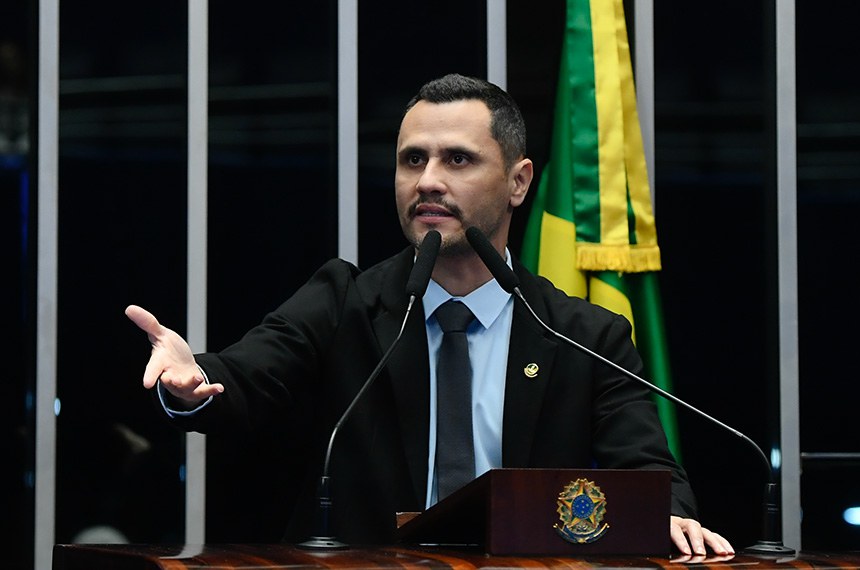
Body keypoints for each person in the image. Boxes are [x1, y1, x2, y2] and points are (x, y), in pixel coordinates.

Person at [126, 73, 733, 557]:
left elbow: (650, 472)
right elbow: (244, 378)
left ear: (519, 182)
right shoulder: (343, 302)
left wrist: (670, 515)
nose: (428, 181)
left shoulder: (582, 334)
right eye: (412, 160)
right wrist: (192, 380)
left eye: (458, 160)